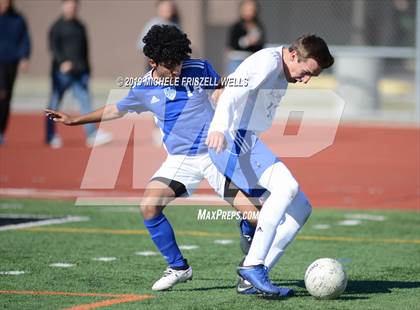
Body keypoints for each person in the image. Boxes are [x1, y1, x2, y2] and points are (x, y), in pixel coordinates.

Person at [46, 25, 261, 292]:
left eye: (180, 63)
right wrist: (75, 119)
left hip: (215, 154)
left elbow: (218, 92)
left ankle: (249, 250)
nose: (177, 71)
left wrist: (226, 94)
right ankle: (179, 267)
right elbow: (116, 109)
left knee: (256, 217)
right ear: (153, 62)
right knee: (148, 206)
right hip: (180, 159)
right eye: (170, 66)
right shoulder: (143, 88)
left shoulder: (199, 68)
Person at [206, 34, 334, 295]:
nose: (306, 79)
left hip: (245, 142)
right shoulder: (267, 62)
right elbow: (230, 94)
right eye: (307, 72)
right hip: (232, 141)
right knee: (286, 188)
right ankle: (252, 265)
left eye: (313, 76)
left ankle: (251, 275)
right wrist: (219, 128)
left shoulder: (278, 66)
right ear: (294, 55)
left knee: (301, 207)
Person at [46, 0, 112, 148]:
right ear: (63, 6)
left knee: (85, 102)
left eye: (74, 6)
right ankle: (50, 136)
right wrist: (62, 62)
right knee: (54, 104)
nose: (71, 8)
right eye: (68, 5)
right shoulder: (57, 27)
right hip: (61, 74)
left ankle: (91, 135)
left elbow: (85, 50)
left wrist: (87, 69)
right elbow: (53, 48)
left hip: (79, 73)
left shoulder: (80, 26)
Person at [0, 0, 30, 145]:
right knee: (2, 93)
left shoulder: (18, 18)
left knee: (6, 98)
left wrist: (24, 56)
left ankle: (1, 131)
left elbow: (25, 39)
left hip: (10, 63)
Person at [226, 0, 265, 75]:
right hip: (237, 60)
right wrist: (246, 41)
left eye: (252, 10)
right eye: (247, 10)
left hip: (253, 60)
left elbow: (261, 45)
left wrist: (256, 42)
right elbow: (232, 44)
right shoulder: (236, 27)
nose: (249, 12)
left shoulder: (258, 27)